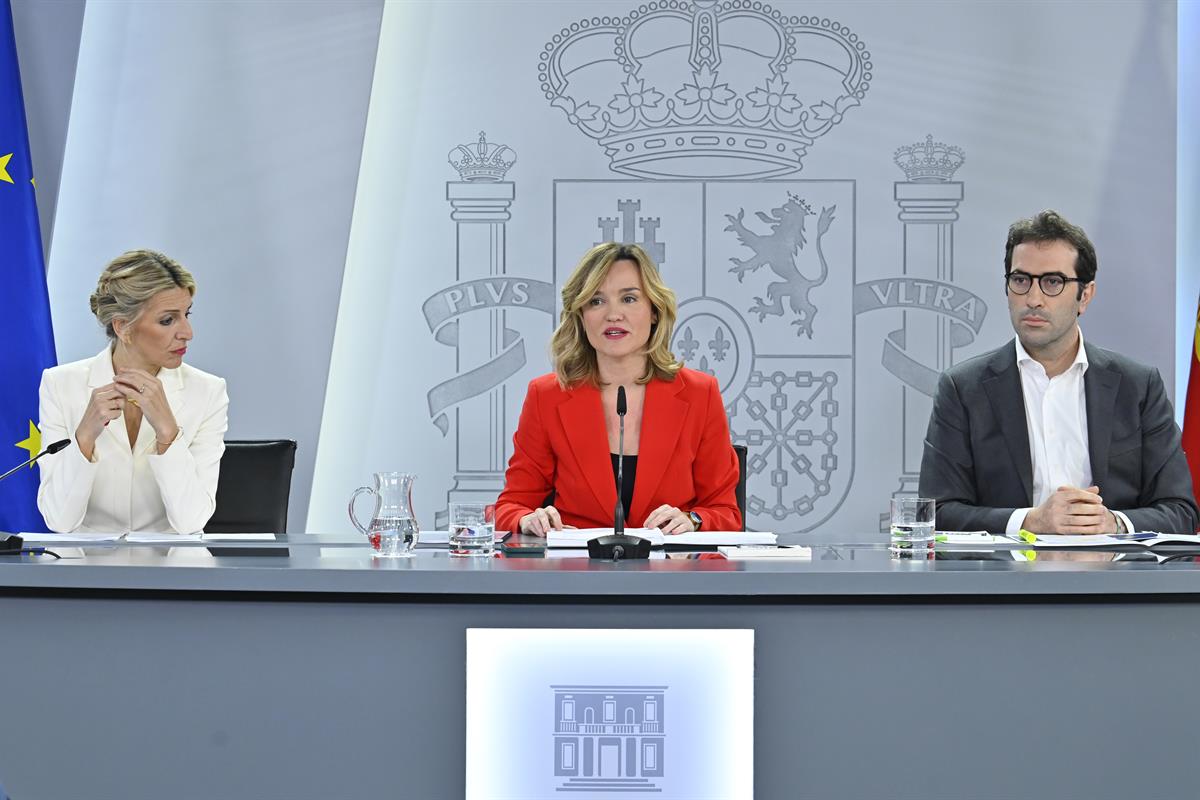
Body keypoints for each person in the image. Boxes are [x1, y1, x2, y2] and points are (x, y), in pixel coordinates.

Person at [919, 210, 1198, 534]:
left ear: (1085, 295)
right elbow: (937, 512)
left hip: (1116, 581)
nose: (1033, 298)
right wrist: (1029, 521)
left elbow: (1181, 511)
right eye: (1021, 280)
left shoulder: (1138, 387)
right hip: (1005, 580)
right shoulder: (963, 389)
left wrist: (1114, 523)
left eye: (1053, 282)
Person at [495, 243, 741, 535]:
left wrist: (693, 520)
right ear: (581, 315)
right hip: (577, 574)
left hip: (672, 574)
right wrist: (527, 520)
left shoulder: (700, 393)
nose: (613, 315)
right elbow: (511, 506)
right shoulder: (546, 396)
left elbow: (725, 512)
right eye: (596, 302)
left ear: (654, 311)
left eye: (628, 298)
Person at [37, 250, 229, 534]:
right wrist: (84, 437)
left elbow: (191, 522)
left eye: (186, 315)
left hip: (171, 571)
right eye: (168, 320)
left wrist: (168, 433)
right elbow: (59, 521)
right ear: (123, 327)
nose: (187, 332)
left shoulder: (208, 391)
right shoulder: (60, 385)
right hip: (84, 572)